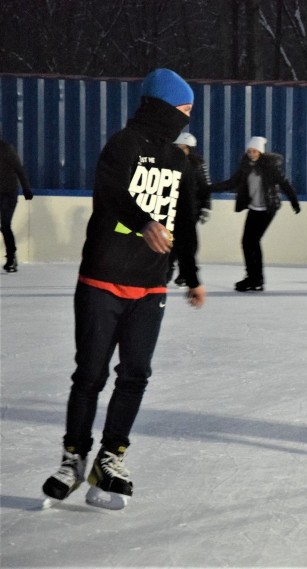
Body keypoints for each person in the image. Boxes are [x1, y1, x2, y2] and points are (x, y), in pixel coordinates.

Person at [41, 68, 206, 510]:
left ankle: (111, 458)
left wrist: (191, 274)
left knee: (135, 375)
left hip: (150, 286)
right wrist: (144, 222)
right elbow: (110, 194)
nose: (187, 118)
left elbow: (184, 220)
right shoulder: (123, 144)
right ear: (161, 105)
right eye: (184, 109)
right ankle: (73, 459)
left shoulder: (179, 160)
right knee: (90, 375)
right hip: (102, 279)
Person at [210, 136, 300, 292]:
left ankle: (256, 279)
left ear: (260, 152)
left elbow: (284, 183)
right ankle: (252, 277)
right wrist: (208, 188)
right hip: (254, 208)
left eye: (255, 151)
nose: (252, 154)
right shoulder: (245, 167)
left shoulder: (270, 167)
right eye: (249, 151)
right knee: (247, 242)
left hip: (267, 209)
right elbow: (231, 183)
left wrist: (294, 201)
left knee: (253, 241)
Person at [170, 131, 212, 287]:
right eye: (178, 147)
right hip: (172, 209)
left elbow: (205, 187)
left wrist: (206, 208)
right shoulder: (170, 163)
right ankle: (167, 270)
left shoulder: (198, 165)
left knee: (187, 244)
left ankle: (184, 273)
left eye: (184, 148)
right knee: (170, 242)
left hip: (190, 210)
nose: (181, 151)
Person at [0, 138, 33, 272]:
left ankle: (11, 257)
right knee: (5, 226)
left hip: (9, 193)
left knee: (6, 225)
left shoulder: (6, 149)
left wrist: (26, 189)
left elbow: (19, 169)